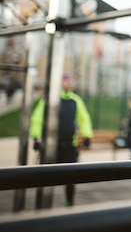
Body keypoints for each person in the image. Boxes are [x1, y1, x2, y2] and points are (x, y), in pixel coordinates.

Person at [30, 72, 93, 206]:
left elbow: (84, 118)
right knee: (47, 177)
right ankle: (42, 202)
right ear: (61, 82)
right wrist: (36, 138)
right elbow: (37, 117)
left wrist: (87, 135)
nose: (70, 83)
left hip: (70, 146)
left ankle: (69, 201)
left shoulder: (76, 100)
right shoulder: (51, 99)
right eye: (67, 80)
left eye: (71, 81)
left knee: (71, 177)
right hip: (52, 145)